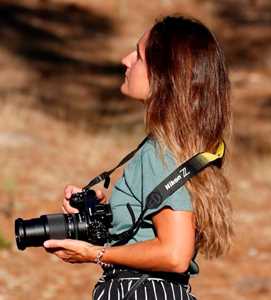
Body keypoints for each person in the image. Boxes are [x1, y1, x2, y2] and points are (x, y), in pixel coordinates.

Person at [43, 15, 233, 300]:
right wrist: (107, 206)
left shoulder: (161, 153)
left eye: (139, 56)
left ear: (164, 77)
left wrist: (94, 254)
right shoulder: (182, 147)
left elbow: (174, 254)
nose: (125, 60)